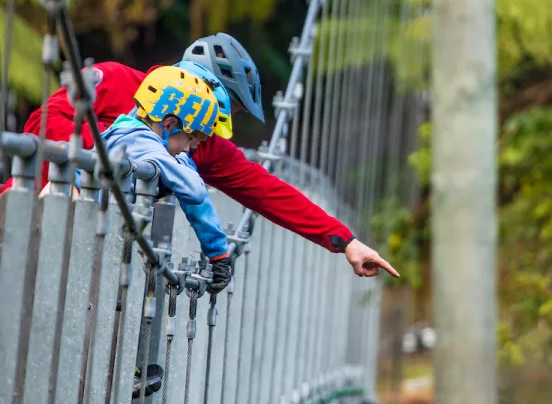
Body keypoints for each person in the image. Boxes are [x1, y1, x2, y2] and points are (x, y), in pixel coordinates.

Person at [1, 33, 399, 279]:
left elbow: (264, 189)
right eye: (231, 109)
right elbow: (44, 122)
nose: (223, 124)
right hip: (20, 218)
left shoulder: (198, 144)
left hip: (82, 263)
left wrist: (344, 241)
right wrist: (113, 157)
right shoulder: (116, 80)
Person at [110, 64, 232, 400]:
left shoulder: (137, 137)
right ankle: (114, 373)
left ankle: (121, 370)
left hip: (100, 241)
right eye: (191, 139)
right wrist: (219, 252)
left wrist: (218, 252)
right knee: (105, 304)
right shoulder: (138, 143)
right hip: (86, 240)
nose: (191, 149)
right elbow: (193, 189)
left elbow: (188, 180)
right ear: (168, 124)